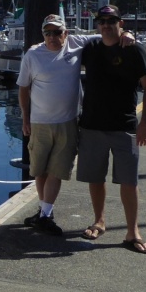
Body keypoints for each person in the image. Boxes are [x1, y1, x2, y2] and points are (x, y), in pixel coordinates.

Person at [17, 13, 134, 235]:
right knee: (40, 171)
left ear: (66, 33)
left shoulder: (77, 43)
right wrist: (25, 118)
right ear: (43, 35)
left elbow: (106, 34)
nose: (52, 37)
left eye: (57, 32)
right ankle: (45, 214)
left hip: (68, 121)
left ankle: (44, 215)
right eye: (48, 33)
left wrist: (127, 33)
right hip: (39, 122)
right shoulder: (33, 54)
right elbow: (23, 87)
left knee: (57, 170)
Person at [77, 5, 146, 254]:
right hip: (92, 125)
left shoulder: (134, 49)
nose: (106, 25)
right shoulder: (90, 48)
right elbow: (59, 41)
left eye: (112, 21)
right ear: (97, 25)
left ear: (120, 23)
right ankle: (99, 221)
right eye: (102, 21)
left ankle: (133, 231)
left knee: (128, 181)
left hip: (125, 126)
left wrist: (145, 123)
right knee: (95, 177)